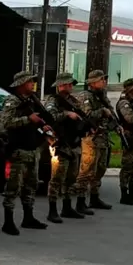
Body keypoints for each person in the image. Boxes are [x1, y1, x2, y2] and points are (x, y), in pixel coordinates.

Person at [0, 70, 49, 235]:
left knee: (31, 185)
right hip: (18, 151)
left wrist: (43, 126)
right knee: (13, 187)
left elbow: (36, 121)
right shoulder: (12, 101)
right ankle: (8, 221)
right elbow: (6, 123)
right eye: (29, 81)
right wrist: (28, 119)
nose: (32, 84)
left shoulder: (31, 101)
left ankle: (28, 217)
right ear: (21, 84)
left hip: (32, 149)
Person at [43, 72, 86, 223]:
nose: (70, 86)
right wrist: (67, 114)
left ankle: (67, 207)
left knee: (71, 177)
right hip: (60, 143)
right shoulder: (52, 100)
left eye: (71, 84)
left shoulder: (73, 101)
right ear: (59, 85)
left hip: (74, 143)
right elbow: (49, 115)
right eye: (67, 84)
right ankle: (52, 209)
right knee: (57, 178)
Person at [76, 69, 114, 212]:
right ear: (92, 83)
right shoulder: (85, 96)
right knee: (87, 170)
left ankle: (94, 197)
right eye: (101, 80)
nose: (104, 82)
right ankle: (80, 201)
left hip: (103, 138)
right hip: (91, 138)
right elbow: (87, 115)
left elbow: (111, 113)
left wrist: (115, 125)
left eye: (104, 79)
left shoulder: (102, 96)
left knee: (100, 168)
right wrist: (102, 112)